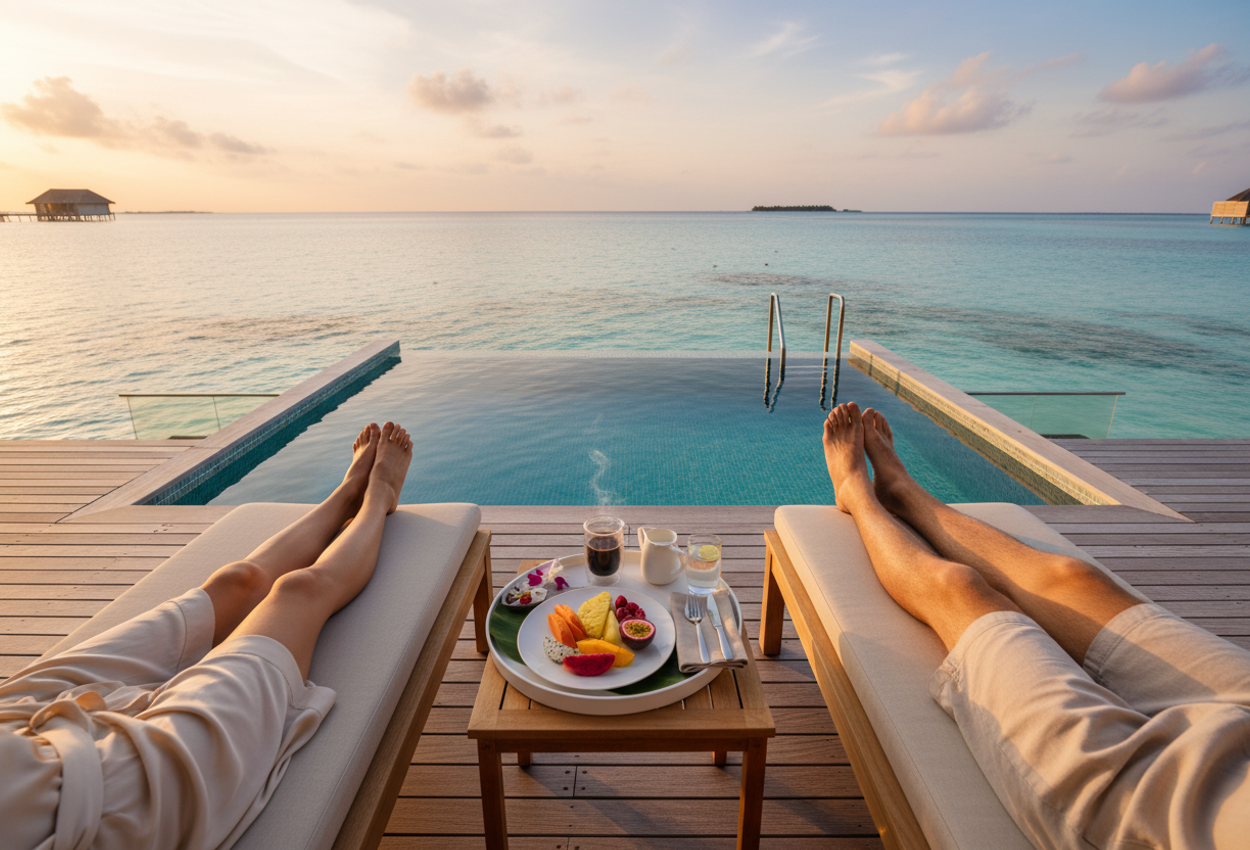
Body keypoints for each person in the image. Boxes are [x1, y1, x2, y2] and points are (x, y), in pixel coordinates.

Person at [821, 401, 1250, 850]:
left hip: (1171, 815)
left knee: (961, 589)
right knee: (1075, 580)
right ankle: (906, 492)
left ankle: (855, 492)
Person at [1, 421, 413, 850]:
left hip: (17, 721)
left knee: (237, 581)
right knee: (298, 591)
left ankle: (346, 493)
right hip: (108, 799)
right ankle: (378, 494)